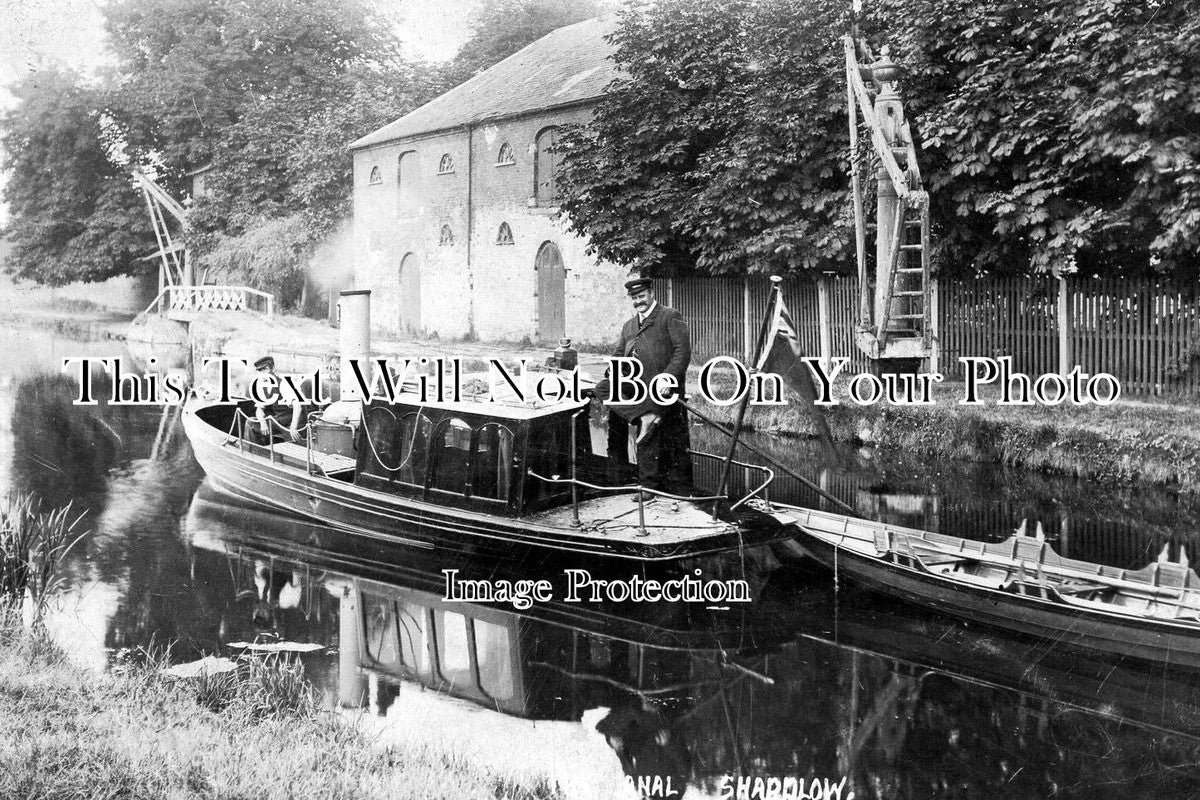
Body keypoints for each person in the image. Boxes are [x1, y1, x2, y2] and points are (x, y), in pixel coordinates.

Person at [596, 278, 694, 494]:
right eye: (634, 298)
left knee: (650, 432)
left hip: (661, 387)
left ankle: (648, 486)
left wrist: (668, 378)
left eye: (641, 296)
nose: (638, 301)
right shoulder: (629, 325)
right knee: (603, 388)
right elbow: (619, 353)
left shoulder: (670, 316)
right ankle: (643, 416)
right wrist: (613, 369)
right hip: (636, 386)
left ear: (651, 294)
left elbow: (682, 352)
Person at [250, 355, 302, 443]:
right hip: (279, 421)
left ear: (273, 368)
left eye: (265, 369)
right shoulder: (263, 385)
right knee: (251, 422)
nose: (263, 373)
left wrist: (293, 428)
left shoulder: (284, 383)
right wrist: (263, 423)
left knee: (294, 445)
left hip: (291, 422)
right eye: (260, 370)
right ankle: (258, 449)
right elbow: (259, 409)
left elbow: (298, 406)